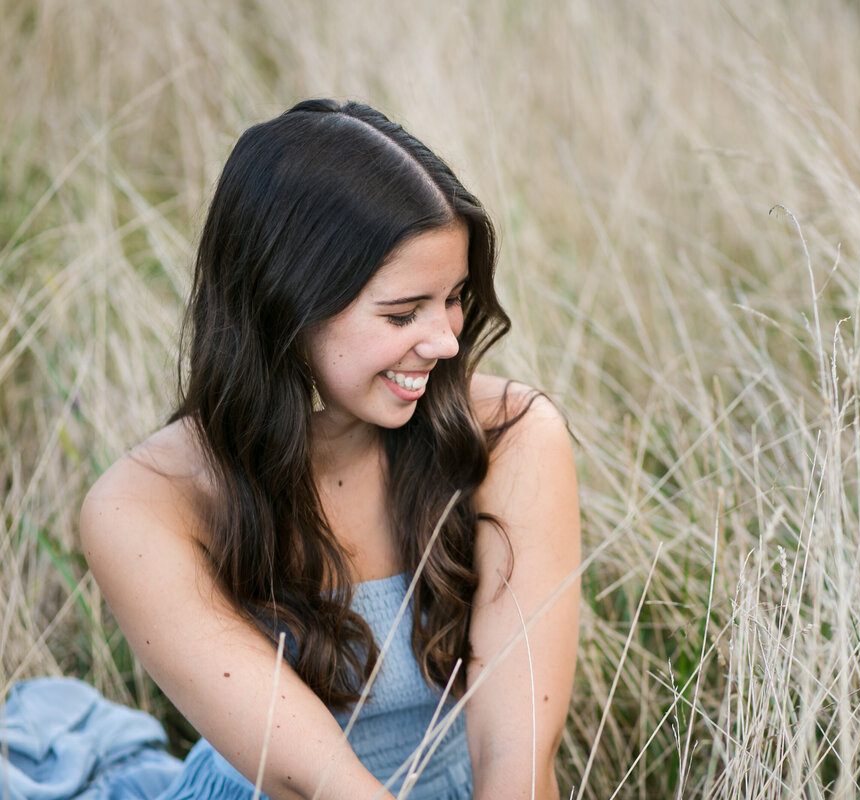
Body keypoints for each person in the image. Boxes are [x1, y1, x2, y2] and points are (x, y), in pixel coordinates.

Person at [76, 99, 581, 799]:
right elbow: (317, 785)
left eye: (455, 297)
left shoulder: (513, 434)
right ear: (289, 306)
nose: (445, 341)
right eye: (403, 312)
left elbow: (518, 760)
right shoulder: (145, 506)